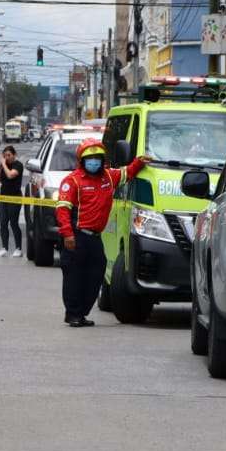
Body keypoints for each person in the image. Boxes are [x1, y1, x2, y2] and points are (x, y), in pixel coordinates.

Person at [55, 139, 149, 327]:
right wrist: (68, 234)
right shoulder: (72, 181)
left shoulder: (108, 177)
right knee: (74, 277)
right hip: (76, 236)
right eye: (89, 159)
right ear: (82, 160)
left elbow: (127, 173)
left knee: (97, 274)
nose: (94, 162)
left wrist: (139, 162)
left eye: (97, 158)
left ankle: (81, 313)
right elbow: (62, 209)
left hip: (95, 238)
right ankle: (73, 314)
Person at [0, 146, 24, 258]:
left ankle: (18, 248)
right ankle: (4, 248)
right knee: (3, 222)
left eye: (9, 155)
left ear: (14, 155)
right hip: (3, 197)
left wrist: (4, 164)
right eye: (5, 156)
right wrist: (0, 166)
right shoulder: (3, 165)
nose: (7, 158)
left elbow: (11, 175)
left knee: (13, 223)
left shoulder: (18, 165)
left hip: (14, 198)